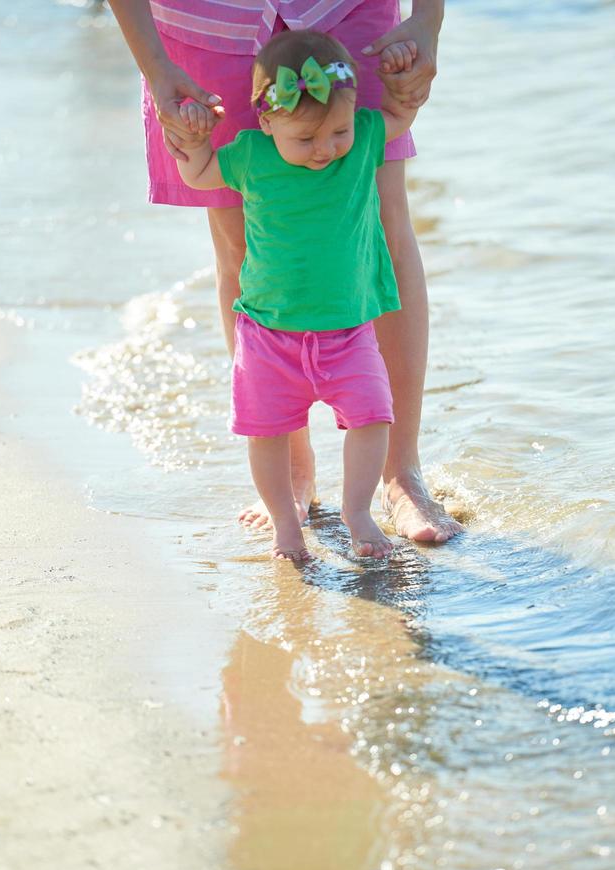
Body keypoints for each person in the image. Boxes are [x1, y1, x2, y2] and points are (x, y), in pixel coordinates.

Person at [108, 0, 463, 544]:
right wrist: (155, 66)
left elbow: (396, 116)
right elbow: (202, 171)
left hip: (348, 12)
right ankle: (291, 468)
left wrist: (428, 19)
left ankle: (399, 472)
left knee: (382, 224)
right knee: (238, 247)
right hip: (205, 21)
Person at [177, 30, 417, 561]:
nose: (326, 149)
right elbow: (198, 176)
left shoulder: (362, 142)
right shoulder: (250, 155)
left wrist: (402, 85)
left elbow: (399, 118)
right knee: (266, 435)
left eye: (337, 131)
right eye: (305, 140)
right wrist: (194, 144)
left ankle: (358, 512)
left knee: (375, 418)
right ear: (267, 123)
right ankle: (286, 522)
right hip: (268, 336)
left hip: (348, 330)